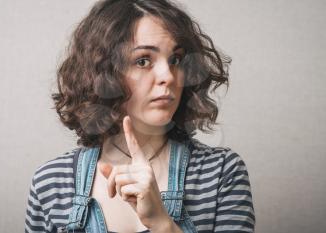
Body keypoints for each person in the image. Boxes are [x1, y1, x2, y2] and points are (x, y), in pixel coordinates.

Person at [25, 0, 255, 232]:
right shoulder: (51, 183)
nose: (168, 76)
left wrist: (162, 223)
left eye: (175, 60)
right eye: (143, 61)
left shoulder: (220, 173)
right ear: (103, 75)